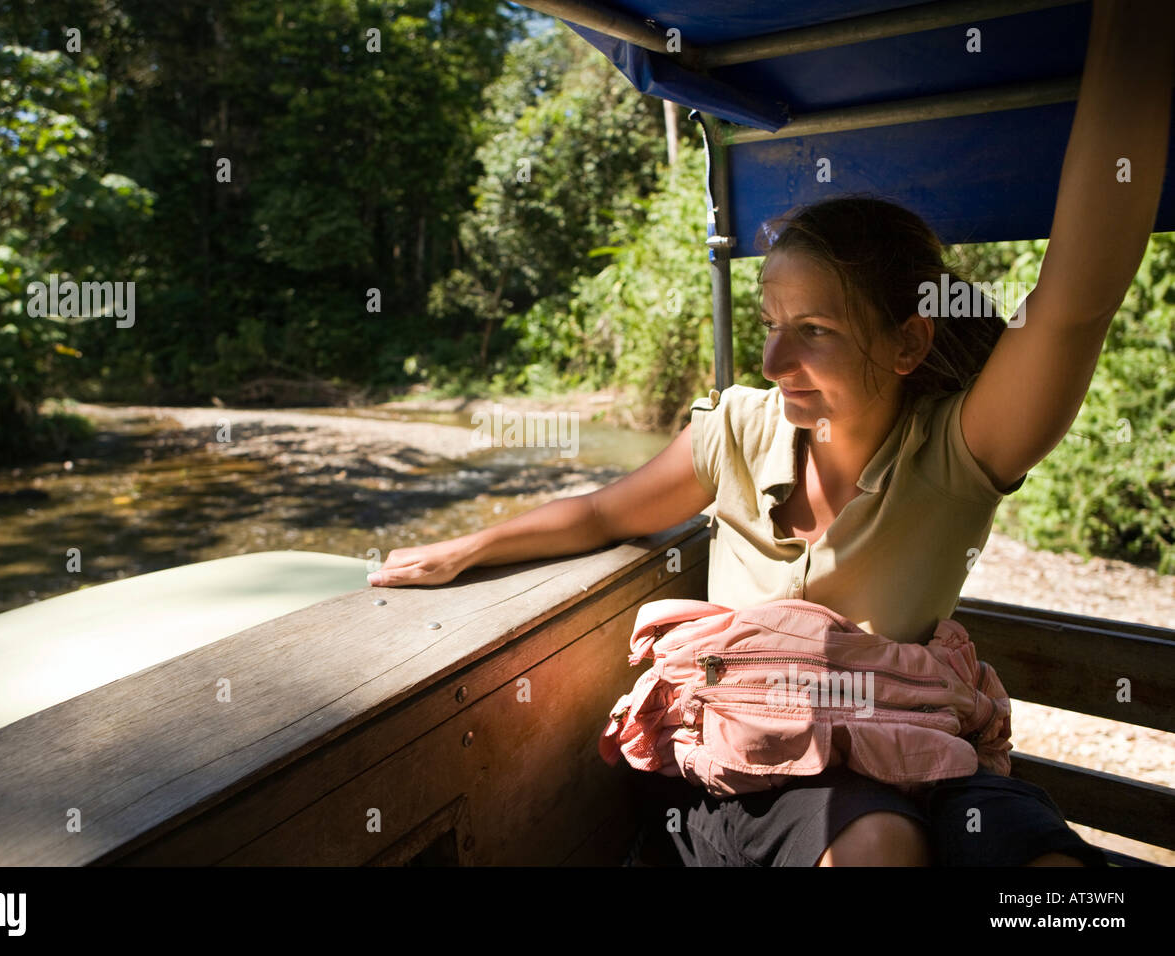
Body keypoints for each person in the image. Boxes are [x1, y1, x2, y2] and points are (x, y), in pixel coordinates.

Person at [366, 0, 1172, 866]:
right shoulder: (738, 432)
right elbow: (604, 515)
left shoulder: (959, 452)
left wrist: (1136, 21)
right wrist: (468, 548)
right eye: (770, 321)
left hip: (923, 755)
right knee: (875, 849)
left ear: (908, 342)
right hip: (765, 772)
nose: (774, 356)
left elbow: (1075, 300)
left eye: (814, 331)